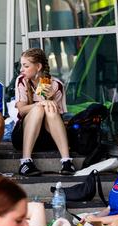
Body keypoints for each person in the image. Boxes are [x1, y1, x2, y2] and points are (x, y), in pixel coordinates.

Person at [14, 47, 75, 176]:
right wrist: (40, 103)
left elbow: (57, 119)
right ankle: (25, 161)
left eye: (25, 66)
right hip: (23, 136)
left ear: (38, 67)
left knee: (49, 108)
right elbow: (22, 110)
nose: (21, 70)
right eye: (22, 65)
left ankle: (67, 161)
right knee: (39, 108)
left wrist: (50, 98)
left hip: (49, 137)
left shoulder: (55, 85)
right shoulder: (22, 81)